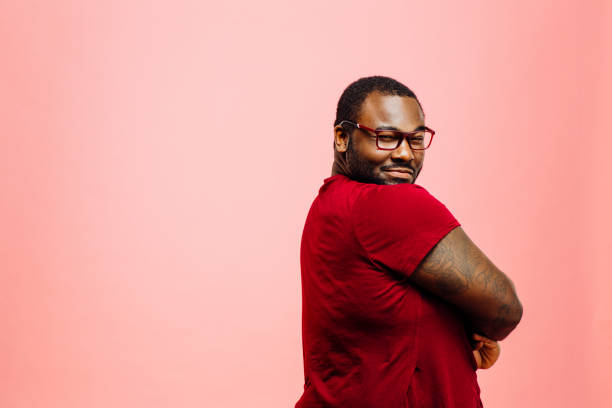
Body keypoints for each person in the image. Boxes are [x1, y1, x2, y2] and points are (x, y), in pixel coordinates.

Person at [295, 76, 522, 408]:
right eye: (386, 138)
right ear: (343, 137)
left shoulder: (327, 206)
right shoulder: (389, 204)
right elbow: (505, 308)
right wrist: (478, 323)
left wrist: (459, 330)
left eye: (416, 139)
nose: (405, 154)